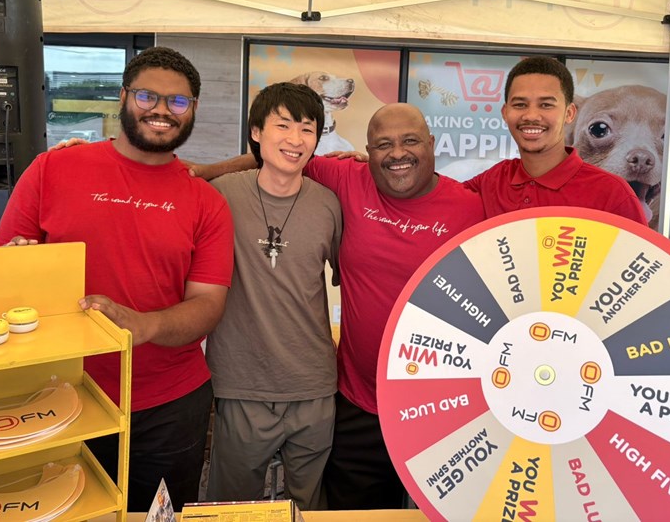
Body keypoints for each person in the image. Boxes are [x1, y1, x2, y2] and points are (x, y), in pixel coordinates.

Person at [193, 103, 487, 510]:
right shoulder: (347, 177)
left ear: (432, 143)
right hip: (357, 400)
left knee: (436, 511)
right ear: (368, 150)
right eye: (383, 145)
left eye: (410, 141)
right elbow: (282, 157)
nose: (397, 153)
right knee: (349, 512)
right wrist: (202, 171)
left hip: (437, 406)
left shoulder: (471, 208)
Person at [0, 46, 234, 513]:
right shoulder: (53, 169)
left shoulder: (207, 202)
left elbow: (208, 304)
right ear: (123, 97)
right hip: (57, 393)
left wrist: (145, 325)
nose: (161, 110)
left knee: (157, 516)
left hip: (168, 407)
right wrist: (16, 269)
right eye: (147, 96)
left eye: (177, 101)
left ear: (193, 109)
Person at [204, 82, 342, 510]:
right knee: (231, 508)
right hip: (242, 383)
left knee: (309, 506)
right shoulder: (222, 194)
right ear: (256, 132)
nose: (295, 139)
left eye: (307, 129)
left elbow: (348, 277)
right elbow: (165, 175)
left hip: (314, 384)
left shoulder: (329, 204)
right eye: (282, 125)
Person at [464, 55, 647, 224]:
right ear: (505, 113)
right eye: (520, 104)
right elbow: (447, 201)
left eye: (546, 105)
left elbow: (637, 250)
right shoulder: (491, 182)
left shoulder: (613, 194)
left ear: (570, 113)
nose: (531, 115)